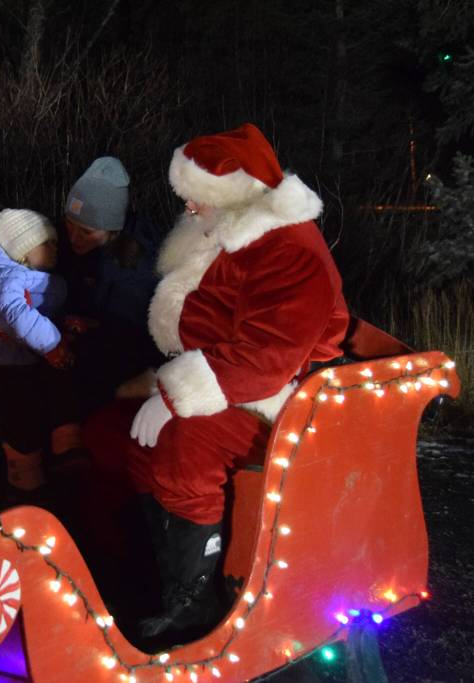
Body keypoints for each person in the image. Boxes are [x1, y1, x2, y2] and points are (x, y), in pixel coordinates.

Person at [90, 123, 350, 645]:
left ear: (235, 194)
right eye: (186, 197)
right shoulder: (227, 234)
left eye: (196, 198)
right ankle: (155, 574)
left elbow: (266, 357)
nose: (188, 209)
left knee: (185, 448)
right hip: (223, 379)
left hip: (279, 398)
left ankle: (195, 604)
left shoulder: (289, 250)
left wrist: (173, 394)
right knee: (114, 433)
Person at [0, 208, 83, 507]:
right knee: (20, 424)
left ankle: (63, 447)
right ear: (23, 250)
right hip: (4, 368)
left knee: (37, 409)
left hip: (24, 362)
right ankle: (25, 490)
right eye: (48, 243)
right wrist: (53, 343)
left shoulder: (29, 276)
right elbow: (12, 313)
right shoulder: (5, 279)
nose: (57, 249)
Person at [58, 156, 166, 415]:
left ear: (113, 230)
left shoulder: (139, 263)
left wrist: (90, 328)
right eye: (69, 226)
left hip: (125, 364)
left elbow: (131, 333)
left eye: (86, 232)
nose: (74, 238)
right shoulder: (66, 248)